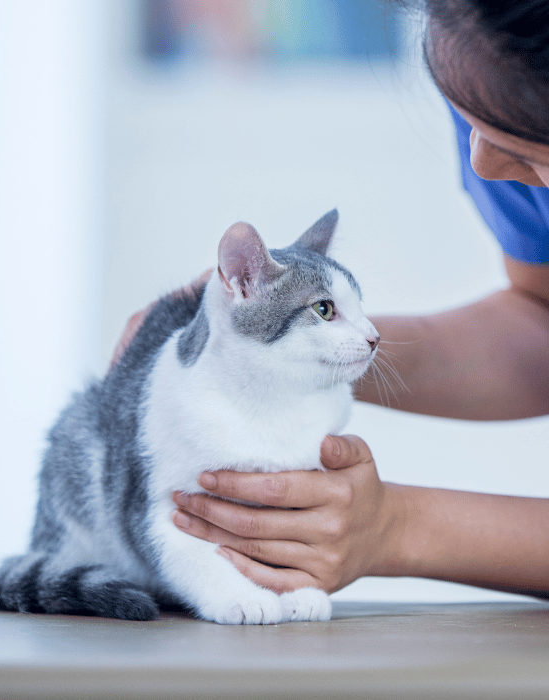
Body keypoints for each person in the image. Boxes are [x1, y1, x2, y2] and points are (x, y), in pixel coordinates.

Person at [116, 0, 549, 599]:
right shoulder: (496, 95)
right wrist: (274, 357)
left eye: (529, 146)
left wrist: (399, 528)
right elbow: (542, 324)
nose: (483, 162)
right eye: (466, 115)